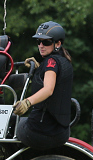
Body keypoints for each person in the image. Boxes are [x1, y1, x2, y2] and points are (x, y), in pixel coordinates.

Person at [12, 21, 74, 149]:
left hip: (43, 130)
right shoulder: (63, 60)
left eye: (46, 42)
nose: (41, 45)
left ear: (58, 43)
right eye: (38, 42)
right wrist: (39, 69)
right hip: (60, 130)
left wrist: (27, 102)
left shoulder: (51, 62)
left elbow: (49, 89)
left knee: (11, 123)